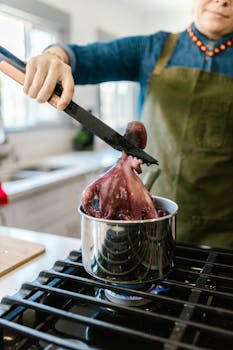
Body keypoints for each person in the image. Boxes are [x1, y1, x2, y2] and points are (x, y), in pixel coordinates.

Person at [23, 0, 233, 249]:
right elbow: (81, 57)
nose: (223, 0)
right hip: (150, 218)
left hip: (222, 231)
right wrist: (54, 57)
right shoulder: (151, 48)